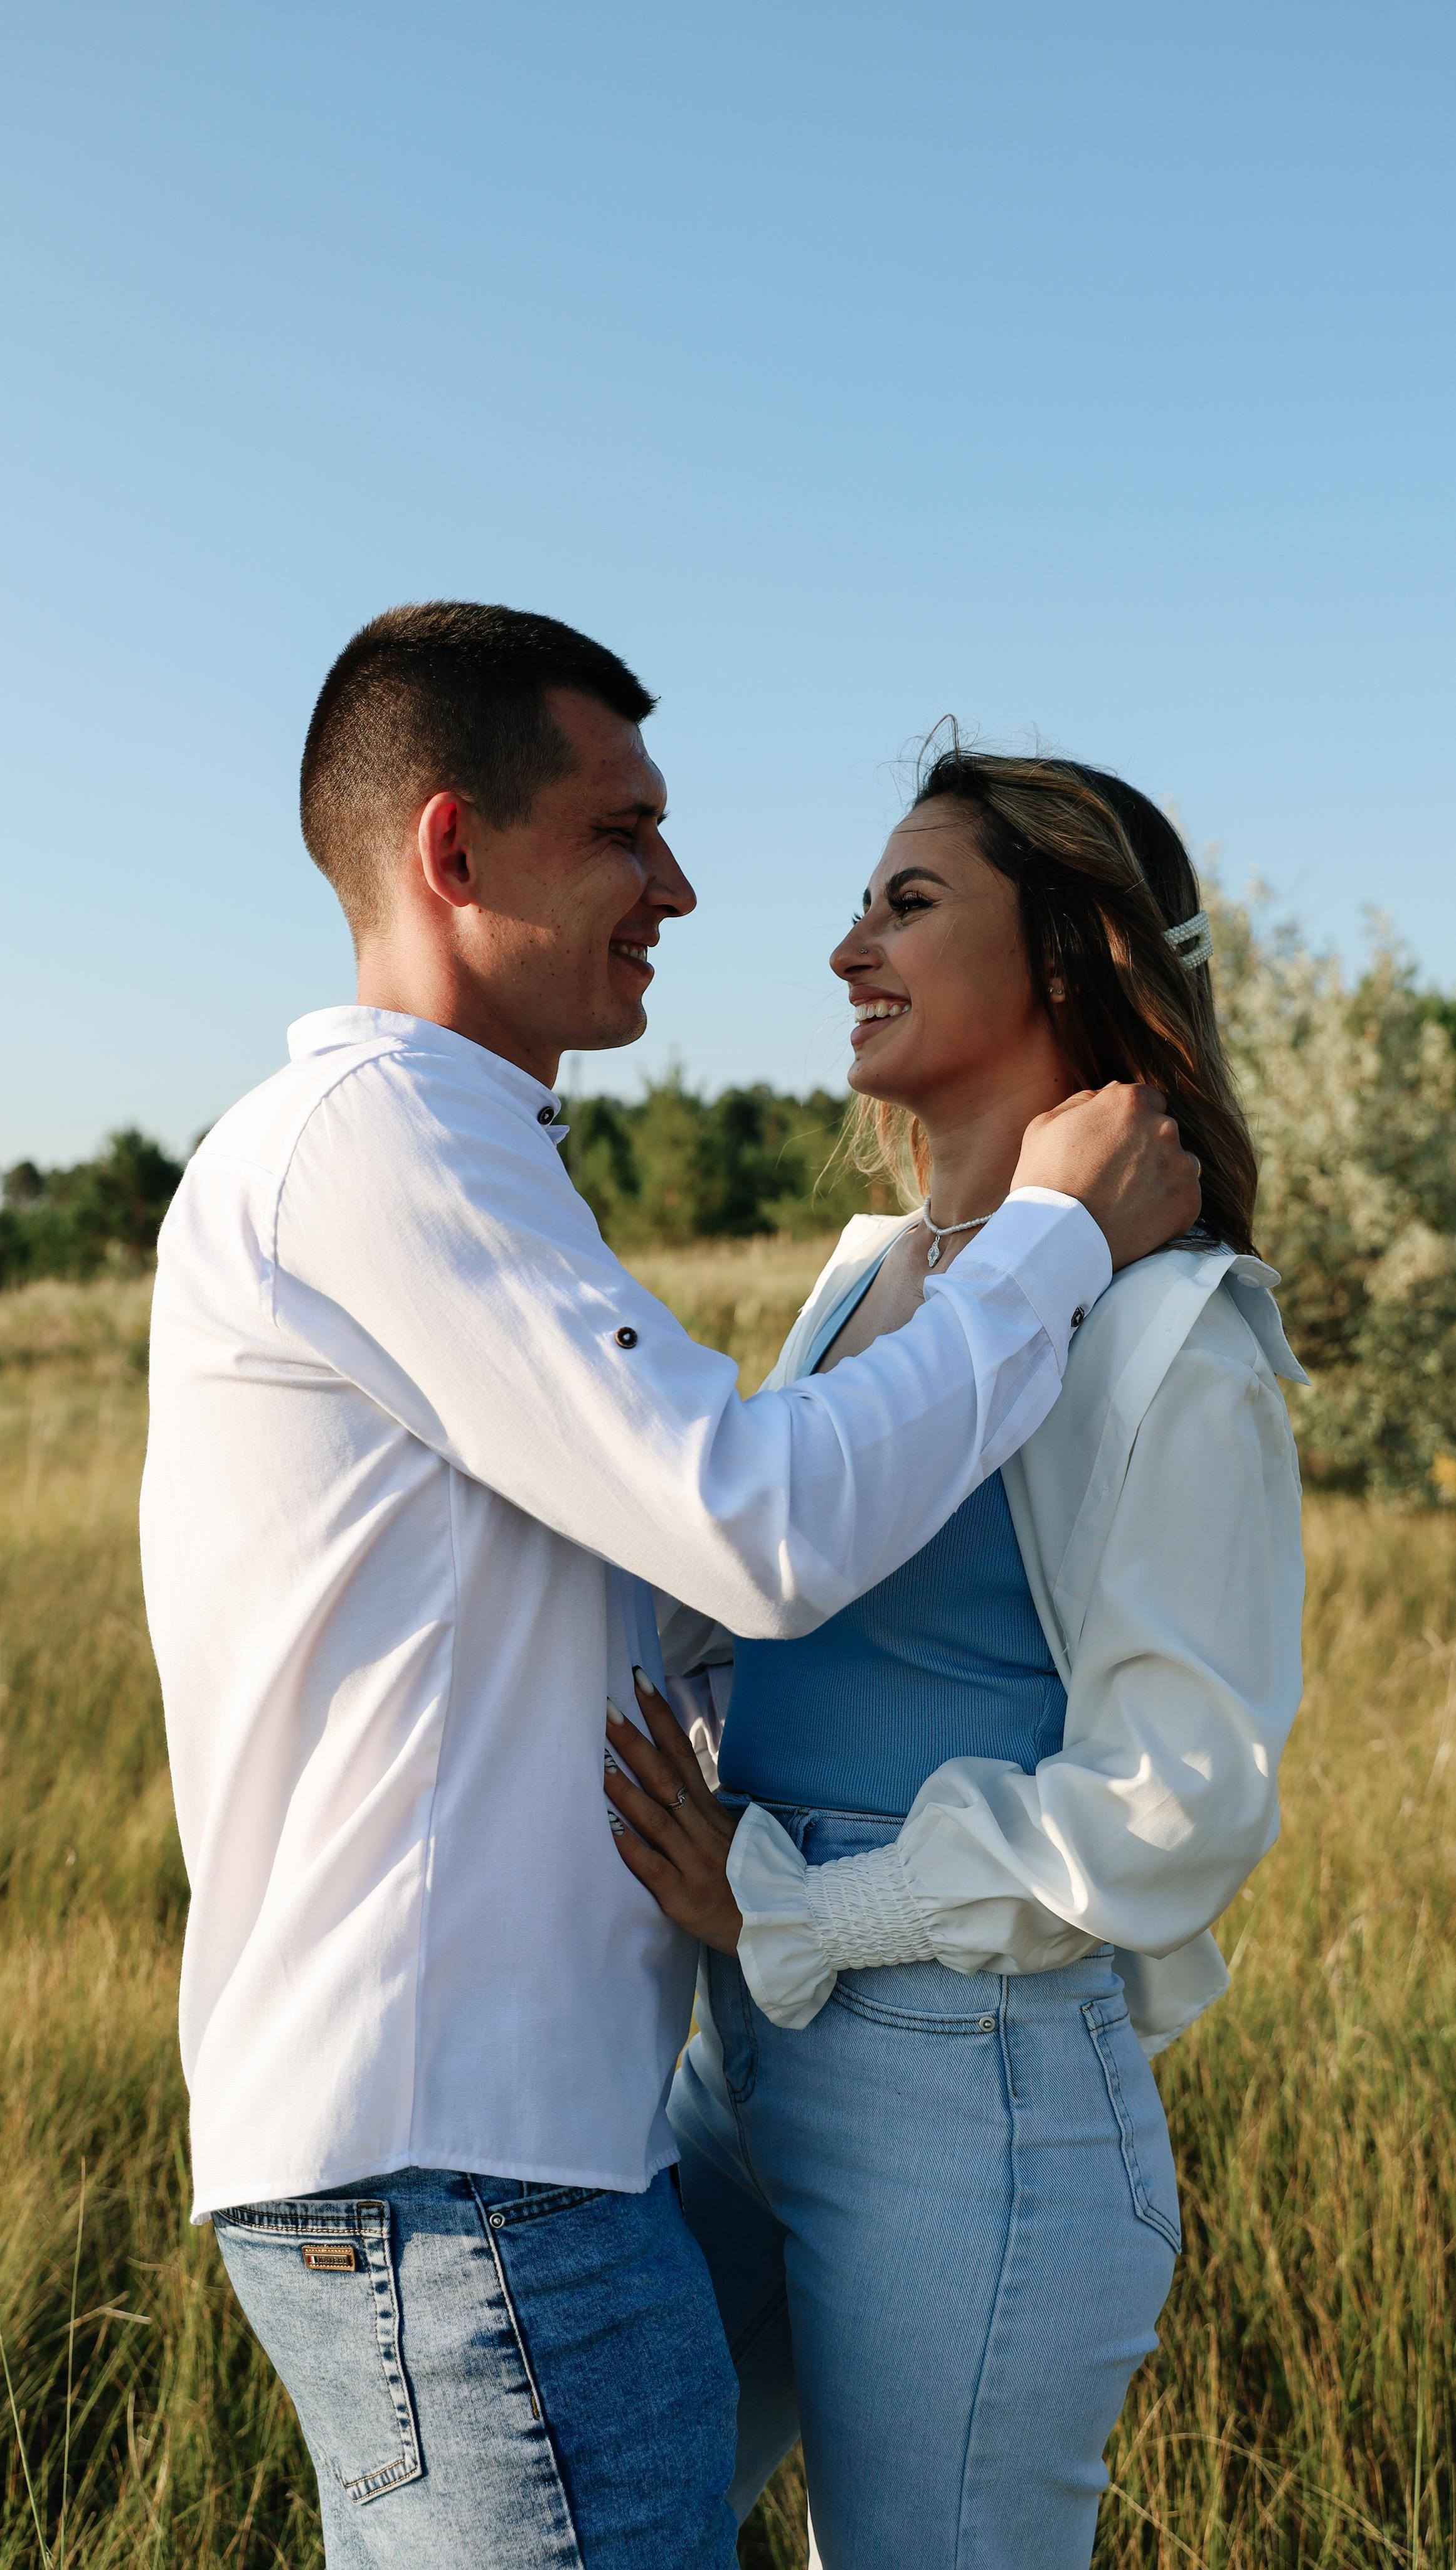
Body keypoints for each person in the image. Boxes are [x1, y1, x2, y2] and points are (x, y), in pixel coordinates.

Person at [141, 612, 1199, 2570]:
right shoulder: (384, 1142)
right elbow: (740, 1526)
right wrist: (1045, 1246)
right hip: (469, 2179)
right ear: (454, 854)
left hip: (549, 2156)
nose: (684, 890)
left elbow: (644, 1588)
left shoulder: (461, 1154)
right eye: (624, 831)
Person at [603, 744, 1305, 2570]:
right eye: (862, 906)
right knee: (595, 2519)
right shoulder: (865, 1283)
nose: (846, 948)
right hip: (744, 2061)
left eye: (906, 905)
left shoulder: (1171, 1334)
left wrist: (812, 1919)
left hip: (965, 2092)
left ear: (1066, 958)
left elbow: (1183, 1795)